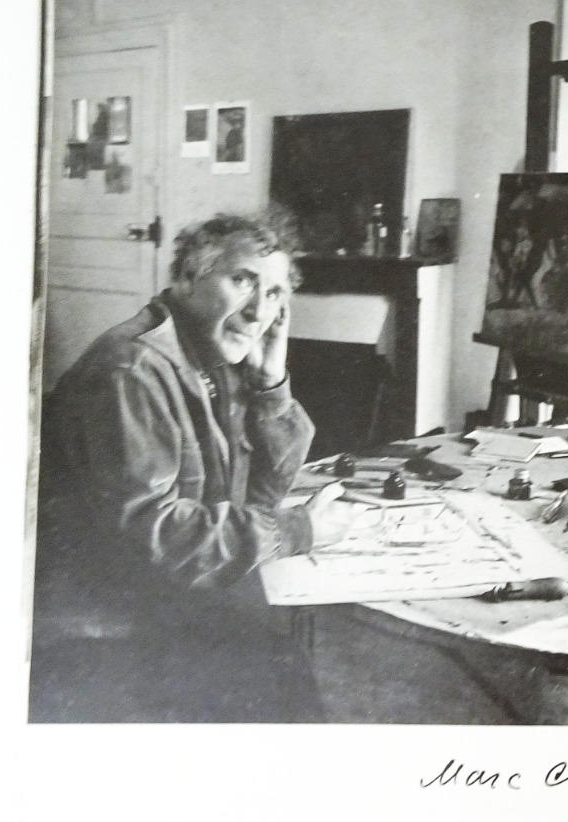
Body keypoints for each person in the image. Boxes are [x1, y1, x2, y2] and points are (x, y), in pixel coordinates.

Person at [30, 211, 356, 722]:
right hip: (99, 626)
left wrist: (271, 385)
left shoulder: (207, 357)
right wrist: (299, 529)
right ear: (186, 278)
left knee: (282, 666)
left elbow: (260, 497)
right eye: (243, 280)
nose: (259, 312)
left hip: (161, 597)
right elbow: (161, 535)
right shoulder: (132, 372)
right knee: (279, 677)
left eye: (274, 294)